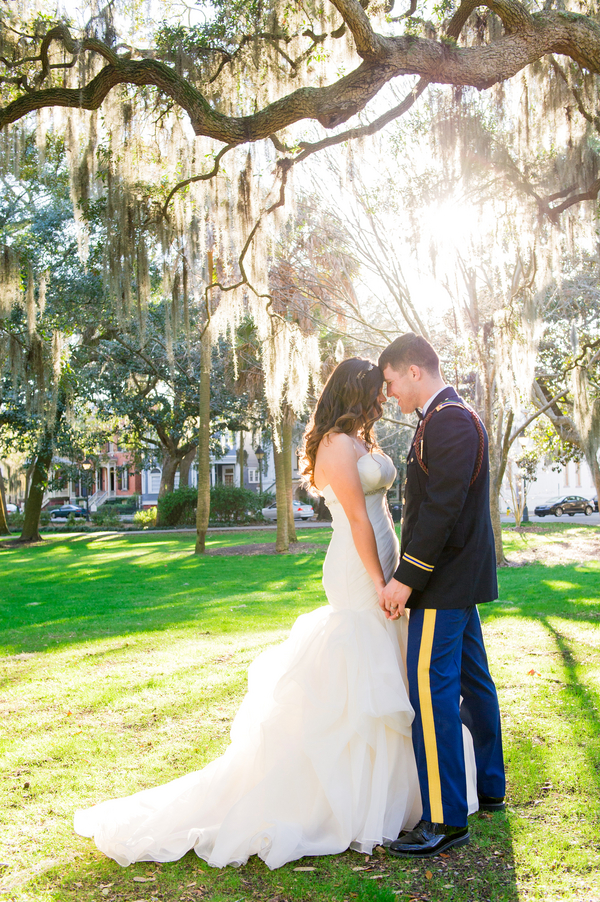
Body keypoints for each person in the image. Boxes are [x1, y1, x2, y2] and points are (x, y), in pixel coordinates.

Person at [76, 357, 475, 870]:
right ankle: (349, 803)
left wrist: (398, 569)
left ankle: (409, 797)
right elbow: (356, 518)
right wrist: (379, 581)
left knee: (395, 669)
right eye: (376, 390)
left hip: (387, 557)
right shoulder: (334, 443)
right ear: (355, 392)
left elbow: (381, 511)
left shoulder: (363, 439)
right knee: (362, 669)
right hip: (358, 568)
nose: (383, 397)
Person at [378, 333, 505, 859]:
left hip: (443, 583)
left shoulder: (449, 419)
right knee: (475, 684)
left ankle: (447, 818)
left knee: (431, 695)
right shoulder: (444, 415)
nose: (389, 394)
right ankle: (491, 788)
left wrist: (407, 577)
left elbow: (440, 510)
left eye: (390, 382)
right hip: (460, 582)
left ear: (413, 371)